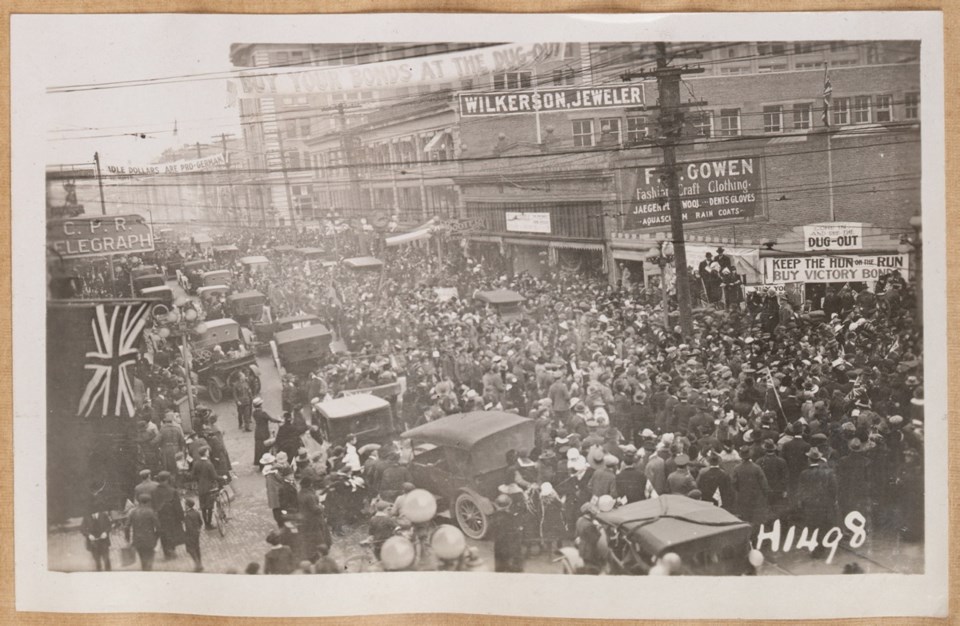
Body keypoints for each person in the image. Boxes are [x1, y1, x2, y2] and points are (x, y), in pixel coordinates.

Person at [797, 448, 840, 557]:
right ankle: (821, 545)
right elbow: (834, 488)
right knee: (823, 524)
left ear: (809, 459)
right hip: (824, 503)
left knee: (813, 525)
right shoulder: (828, 472)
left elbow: (801, 489)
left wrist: (801, 501)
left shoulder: (804, 473)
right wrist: (833, 500)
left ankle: (817, 547)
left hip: (810, 504)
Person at [731, 448, 770, 528]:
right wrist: (765, 493)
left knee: (744, 515)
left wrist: (739, 490)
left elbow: (734, 483)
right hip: (755, 495)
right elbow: (763, 483)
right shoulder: (756, 467)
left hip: (742, 495)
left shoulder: (737, 468)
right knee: (754, 516)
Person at [152, 471, 185, 559]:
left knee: (163, 533)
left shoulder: (154, 491)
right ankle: (172, 550)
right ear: (168, 479)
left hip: (160, 517)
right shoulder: (172, 491)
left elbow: (153, 505)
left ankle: (166, 552)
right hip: (172, 516)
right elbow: (177, 505)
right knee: (172, 533)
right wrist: (181, 517)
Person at [490, 494, 524, 573]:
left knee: (499, 559)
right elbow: (515, 530)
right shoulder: (511, 517)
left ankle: (500, 569)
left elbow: (491, 529)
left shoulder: (494, 516)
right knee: (514, 558)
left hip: (499, 543)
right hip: (510, 543)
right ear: (508, 505)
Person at [128, 493, 160, 571]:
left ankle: (145, 570)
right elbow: (158, 527)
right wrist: (156, 537)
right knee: (149, 559)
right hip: (150, 540)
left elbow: (126, 526)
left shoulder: (133, 512)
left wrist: (128, 538)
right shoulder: (151, 512)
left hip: (137, 540)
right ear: (148, 502)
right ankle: (148, 572)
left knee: (142, 559)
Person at [192, 447, 220, 530]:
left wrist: (199, 480)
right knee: (210, 507)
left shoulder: (196, 463)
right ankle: (209, 524)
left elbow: (193, 475)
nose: (208, 453)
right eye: (207, 451)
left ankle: (206, 524)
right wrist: (222, 477)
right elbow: (214, 476)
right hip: (209, 487)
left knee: (203, 507)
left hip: (201, 487)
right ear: (205, 453)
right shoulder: (209, 464)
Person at [80, 502, 112, 572]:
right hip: (93, 544)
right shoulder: (86, 517)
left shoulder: (103, 515)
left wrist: (105, 533)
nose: (93, 513)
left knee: (106, 560)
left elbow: (109, 526)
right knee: (97, 562)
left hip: (104, 542)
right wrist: (89, 535)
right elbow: (82, 529)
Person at [253, 397, 283, 469]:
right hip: (264, 432)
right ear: (260, 405)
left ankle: (260, 463)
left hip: (257, 432)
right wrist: (280, 421)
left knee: (258, 448)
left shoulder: (254, 413)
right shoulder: (263, 413)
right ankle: (265, 462)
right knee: (265, 448)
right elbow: (271, 419)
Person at [183, 498, 204, 572]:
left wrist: (186, 534)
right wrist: (198, 530)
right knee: (197, 548)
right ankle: (200, 563)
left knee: (190, 549)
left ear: (187, 506)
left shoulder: (187, 515)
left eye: (185, 504)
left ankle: (197, 564)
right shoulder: (196, 512)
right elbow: (201, 523)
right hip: (197, 534)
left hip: (190, 535)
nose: (184, 505)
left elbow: (189, 527)